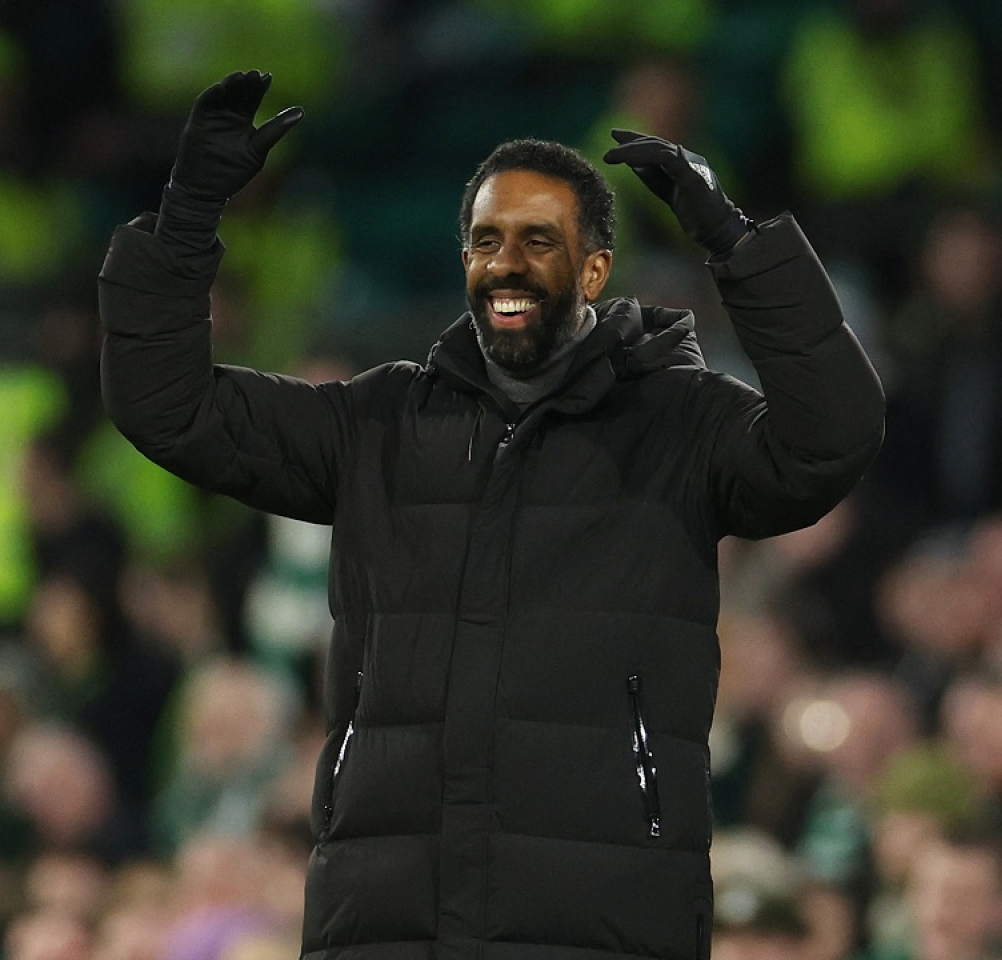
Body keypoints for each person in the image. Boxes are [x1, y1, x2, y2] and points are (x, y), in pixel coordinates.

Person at [98, 70, 884, 960]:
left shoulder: (682, 426)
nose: (507, 263)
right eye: (485, 240)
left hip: (603, 924)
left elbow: (832, 440)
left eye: (538, 240)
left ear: (595, 268)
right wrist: (188, 215)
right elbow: (168, 406)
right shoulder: (376, 425)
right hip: (391, 921)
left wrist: (735, 243)